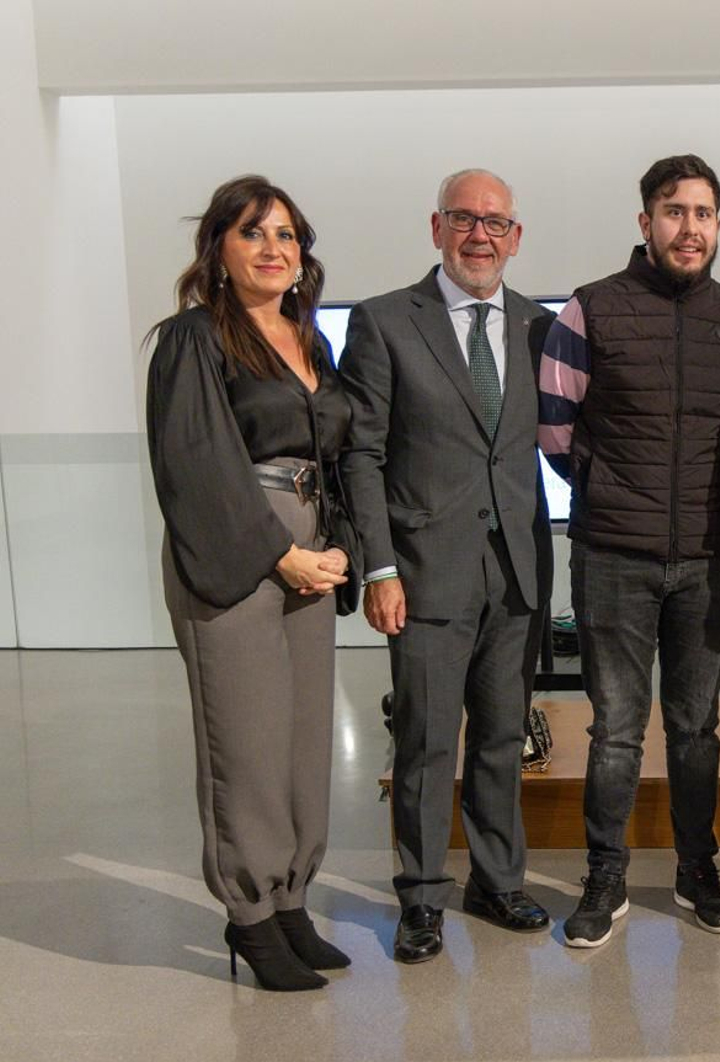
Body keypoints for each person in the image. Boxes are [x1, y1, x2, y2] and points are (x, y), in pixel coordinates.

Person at [340, 169, 557, 965]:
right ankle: (422, 899)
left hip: (519, 569)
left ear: (516, 236)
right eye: (463, 218)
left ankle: (497, 882)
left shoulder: (540, 327)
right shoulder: (387, 321)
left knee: (504, 736)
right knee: (429, 742)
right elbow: (362, 454)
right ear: (436, 228)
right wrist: (379, 568)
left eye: (495, 222)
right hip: (425, 571)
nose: (480, 235)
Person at [539, 155, 720, 949]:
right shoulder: (590, 310)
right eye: (672, 211)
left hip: (708, 555)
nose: (687, 227)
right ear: (645, 223)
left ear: (718, 226)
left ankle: (698, 869)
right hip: (613, 557)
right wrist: (606, 489)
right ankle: (607, 874)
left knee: (696, 725)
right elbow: (555, 431)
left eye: (702, 212)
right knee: (617, 727)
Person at [147, 175, 355, 991]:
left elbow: (337, 452)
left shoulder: (313, 340)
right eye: (253, 233)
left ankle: (293, 896)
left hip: (312, 551)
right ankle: (250, 914)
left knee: (305, 742)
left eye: (288, 235)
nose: (275, 249)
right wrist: (280, 553)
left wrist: (337, 545)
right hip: (237, 552)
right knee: (248, 743)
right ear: (219, 250)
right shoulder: (192, 337)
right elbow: (198, 461)